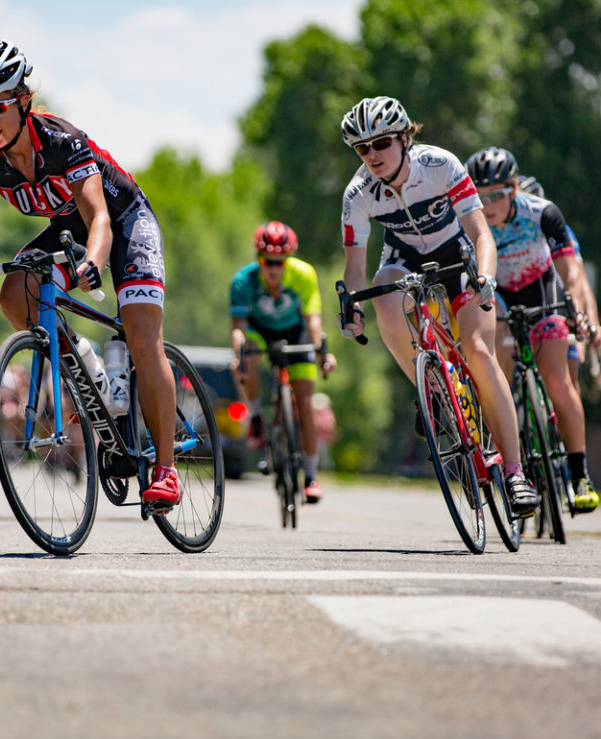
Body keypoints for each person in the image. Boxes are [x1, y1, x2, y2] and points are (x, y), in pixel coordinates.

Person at [0, 40, 180, 508]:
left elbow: (99, 218)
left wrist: (93, 263)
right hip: (68, 228)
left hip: (123, 219)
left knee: (140, 334)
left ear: (22, 100)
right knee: (15, 296)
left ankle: (167, 470)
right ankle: (90, 367)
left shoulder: (61, 140)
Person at [338, 97, 539, 515]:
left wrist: (485, 276)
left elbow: (481, 234)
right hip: (402, 259)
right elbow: (354, 266)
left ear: (404, 138)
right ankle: (429, 385)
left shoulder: (441, 165)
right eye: (362, 148)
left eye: (382, 143)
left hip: (457, 255)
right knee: (382, 295)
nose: (372, 154)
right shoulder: (357, 194)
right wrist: (352, 308)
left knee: (479, 352)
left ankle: (517, 474)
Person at [466, 149, 599, 512]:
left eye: (496, 195)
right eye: (480, 196)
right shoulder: (469, 221)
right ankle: (509, 470)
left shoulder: (542, 212)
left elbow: (571, 271)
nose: (488, 204)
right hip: (499, 299)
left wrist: (577, 311)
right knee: (497, 379)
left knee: (557, 380)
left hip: (542, 290)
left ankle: (579, 472)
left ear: (513, 189)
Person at [230, 222, 337, 502]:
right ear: (259, 259)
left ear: (288, 260)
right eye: (267, 261)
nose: (273, 268)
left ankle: (311, 477)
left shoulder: (303, 275)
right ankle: (255, 416)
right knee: (245, 355)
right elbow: (239, 326)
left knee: (305, 401)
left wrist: (322, 353)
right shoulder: (243, 281)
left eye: (279, 261)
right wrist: (239, 354)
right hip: (259, 330)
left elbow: (313, 318)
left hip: (295, 331)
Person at [518, 175, 601, 393]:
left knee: (570, 372)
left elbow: (579, 280)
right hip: (521, 305)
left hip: (556, 304)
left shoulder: (557, 229)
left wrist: (589, 322)